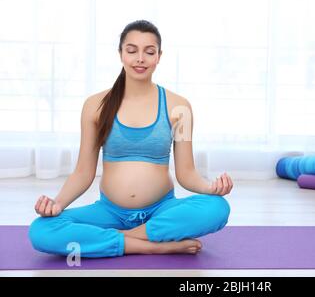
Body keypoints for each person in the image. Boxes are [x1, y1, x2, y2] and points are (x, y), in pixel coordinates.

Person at [28, 20, 233, 258]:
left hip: (161, 211)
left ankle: (120, 238)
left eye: (149, 51)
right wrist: (57, 204)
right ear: (121, 54)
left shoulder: (180, 108)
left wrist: (211, 188)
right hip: (109, 213)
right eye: (132, 50)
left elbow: (186, 173)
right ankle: (151, 245)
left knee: (217, 208)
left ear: (159, 56)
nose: (140, 58)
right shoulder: (95, 106)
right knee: (41, 230)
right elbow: (83, 172)